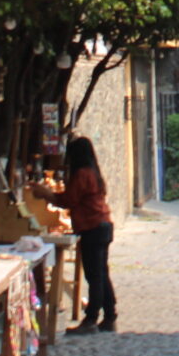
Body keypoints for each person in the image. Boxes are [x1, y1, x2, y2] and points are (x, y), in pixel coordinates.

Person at [63, 137, 117, 333]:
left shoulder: (81, 174)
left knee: (94, 275)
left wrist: (46, 195)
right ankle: (110, 316)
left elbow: (70, 199)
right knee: (102, 273)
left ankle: (91, 318)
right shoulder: (94, 172)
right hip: (104, 224)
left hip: (92, 226)